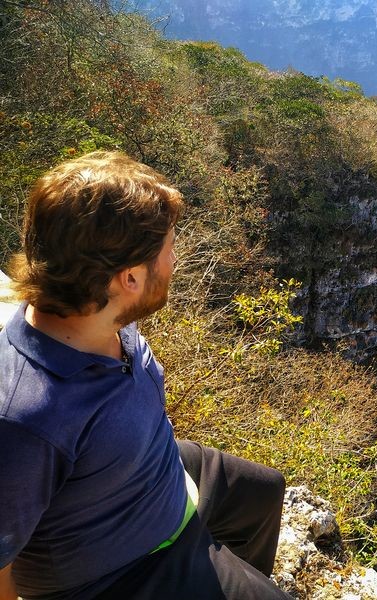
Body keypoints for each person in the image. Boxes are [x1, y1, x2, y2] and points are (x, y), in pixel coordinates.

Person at [0, 152, 291, 600]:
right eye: (169, 249)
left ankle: (228, 575)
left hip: (147, 470)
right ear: (129, 278)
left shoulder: (95, 307)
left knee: (263, 492)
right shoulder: (28, 417)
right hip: (119, 571)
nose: (175, 260)